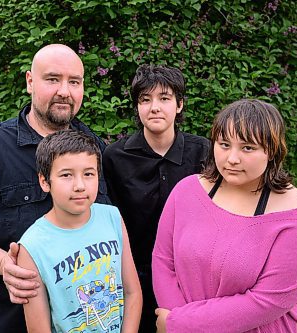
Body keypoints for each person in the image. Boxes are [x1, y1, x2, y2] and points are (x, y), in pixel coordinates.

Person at [0, 44, 111, 333]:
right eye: (52, 79)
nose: (64, 91)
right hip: (4, 320)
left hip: (82, 319)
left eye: (74, 82)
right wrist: (6, 265)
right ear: (30, 81)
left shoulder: (97, 150)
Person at [152, 99, 297, 332]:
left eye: (247, 148)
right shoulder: (186, 191)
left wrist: (181, 323)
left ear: (271, 150)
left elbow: (266, 302)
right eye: (224, 144)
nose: (232, 158)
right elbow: (163, 259)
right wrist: (178, 319)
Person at [102, 64, 210, 332]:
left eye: (164, 98)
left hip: (193, 276)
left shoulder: (204, 152)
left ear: (179, 105)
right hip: (135, 275)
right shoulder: (114, 157)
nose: (154, 107)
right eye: (145, 99)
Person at [17, 129, 142, 332]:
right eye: (66, 175)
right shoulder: (31, 247)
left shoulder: (112, 217)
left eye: (88, 174)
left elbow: (132, 292)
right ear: (44, 181)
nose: (80, 186)